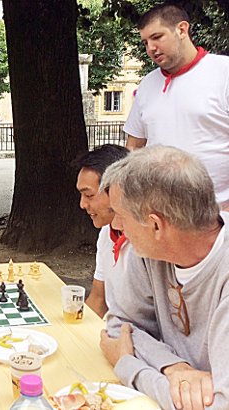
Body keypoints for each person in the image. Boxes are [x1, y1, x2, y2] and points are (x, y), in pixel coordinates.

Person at [99, 146, 229, 410]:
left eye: (121, 216)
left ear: (156, 225)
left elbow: (216, 406)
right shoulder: (149, 252)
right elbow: (121, 325)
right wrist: (174, 368)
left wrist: (129, 366)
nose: (116, 226)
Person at [123, 4, 229, 209]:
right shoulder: (147, 84)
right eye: (145, 42)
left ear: (182, 29)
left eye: (157, 37)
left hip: (219, 214)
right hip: (161, 213)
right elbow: (134, 147)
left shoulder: (223, 72)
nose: (150, 48)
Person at [73, 144, 129, 318]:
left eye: (89, 196)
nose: (82, 205)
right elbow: (98, 299)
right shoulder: (107, 232)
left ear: (117, 191)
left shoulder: (147, 242)